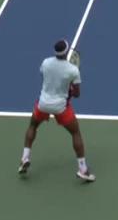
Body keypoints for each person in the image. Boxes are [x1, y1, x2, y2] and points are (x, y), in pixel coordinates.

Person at [19, 39, 95, 182]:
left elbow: (45, 77)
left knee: (33, 126)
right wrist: (69, 87)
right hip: (61, 107)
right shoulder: (73, 70)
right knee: (75, 132)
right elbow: (77, 94)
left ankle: (24, 158)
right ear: (66, 52)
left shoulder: (46, 62)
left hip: (42, 104)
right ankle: (83, 169)